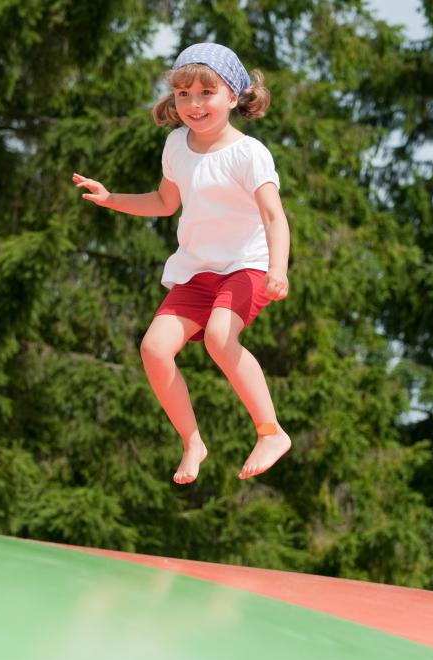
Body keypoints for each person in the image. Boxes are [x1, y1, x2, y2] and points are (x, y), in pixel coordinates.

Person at [72, 43, 291, 485]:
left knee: (218, 338)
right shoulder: (176, 145)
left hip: (247, 267)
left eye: (206, 93)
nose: (193, 104)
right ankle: (192, 440)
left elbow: (274, 215)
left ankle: (271, 432)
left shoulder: (249, 154)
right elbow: (164, 201)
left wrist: (278, 269)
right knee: (154, 348)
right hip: (196, 271)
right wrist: (111, 198)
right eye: (183, 94)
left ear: (233, 95)